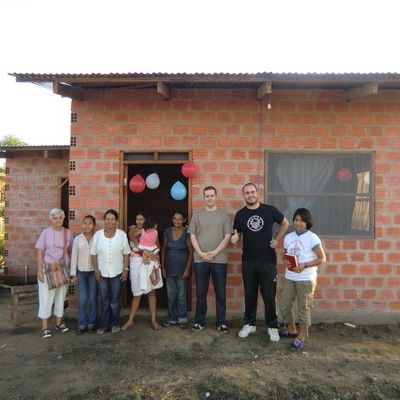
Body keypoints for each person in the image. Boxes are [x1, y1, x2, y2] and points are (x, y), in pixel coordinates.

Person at [231, 183, 289, 342]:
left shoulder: (269, 210)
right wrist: (235, 238)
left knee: (269, 295)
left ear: (257, 193)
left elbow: (285, 223)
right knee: (249, 294)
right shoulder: (240, 214)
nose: (250, 195)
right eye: (247, 193)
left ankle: (272, 326)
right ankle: (249, 323)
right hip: (248, 260)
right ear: (243, 195)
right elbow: (237, 235)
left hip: (267, 260)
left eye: (252, 192)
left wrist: (277, 240)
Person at [279, 208, 326, 351]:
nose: (298, 223)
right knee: (284, 305)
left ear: (307, 222)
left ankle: (301, 337)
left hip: (305, 278)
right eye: (296, 220)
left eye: (302, 220)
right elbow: (286, 255)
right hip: (290, 276)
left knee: (303, 308)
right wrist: (286, 261)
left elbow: (322, 258)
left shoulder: (312, 237)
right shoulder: (289, 237)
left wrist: (304, 265)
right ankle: (292, 330)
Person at [188, 186, 232, 333]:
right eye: (207, 196)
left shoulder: (223, 215)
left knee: (220, 293)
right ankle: (199, 322)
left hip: (219, 260)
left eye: (212, 195)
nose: (210, 198)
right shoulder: (197, 215)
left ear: (216, 196)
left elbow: (227, 236)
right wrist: (200, 252)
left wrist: (214, 252)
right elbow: (192, 235)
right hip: (200, 260)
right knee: (201, 292)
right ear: (204, 197)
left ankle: (221, 322)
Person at [90, 209, 131, 334]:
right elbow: (93, 254)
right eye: (107, 219)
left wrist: (125, 270)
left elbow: (126, 254)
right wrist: (96, 270)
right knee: (104, 300)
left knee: (115, 300)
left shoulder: (121, 235)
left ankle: (114, 323)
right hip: (101, 274)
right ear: (104, 220)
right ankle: (103, 325)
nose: (110, 221)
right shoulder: (98, 235)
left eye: (113, 219)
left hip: (116, 273)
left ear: (117, 221)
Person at [35, 208, 74, 338]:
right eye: (55, 218)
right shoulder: (46, 233)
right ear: (51, 219)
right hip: (47, 270)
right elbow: (40, 252)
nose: (58, 220)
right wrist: (39, 271)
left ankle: (59, 324)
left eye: (60, 218)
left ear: (63, 219)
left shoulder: (67, 233)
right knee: (46, 297)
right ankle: (45, 327)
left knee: (61, 296)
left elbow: (71, 250)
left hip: (62, 269)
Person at [121, 211, 162, 331]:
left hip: (149, 262)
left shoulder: (152, 232)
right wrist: (146, 252)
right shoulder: (133, 230)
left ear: (146, 221)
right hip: (136, 263)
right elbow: (136, 243)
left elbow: (158, 247)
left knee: (152, 292)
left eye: (141, 219)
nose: (139, 221)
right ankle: (130, 320)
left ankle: (153, 320)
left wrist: (151, 254)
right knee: (137, 293)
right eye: (137, 219)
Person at [161, 211, 193, 329]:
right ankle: (172, 318)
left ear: (184, 220)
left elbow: (191, 252)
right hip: (169, 268)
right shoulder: (168, 232)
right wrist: (163, 267)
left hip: (182, 268)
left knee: (181, 294)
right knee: (171, 294)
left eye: (180, 219)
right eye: (175, 218)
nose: (177, 221)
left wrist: (187, 269)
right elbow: (163, 250)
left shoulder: (186, 233)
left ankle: (182, 318)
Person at [70, 215, 97, 334]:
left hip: (93, 274)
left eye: (90, 223)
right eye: (85, 223)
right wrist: (73, 274)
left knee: (93, 298)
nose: (87, 226)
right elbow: (74, 257)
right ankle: (82, 324)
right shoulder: (78, 239)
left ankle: (91, 323)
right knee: (82, 299)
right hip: (81, 273)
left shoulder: (97, 238)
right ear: (82, 225)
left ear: (94, 225)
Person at [135, 215, 162, 287]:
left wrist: (138, 235)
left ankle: (152, 279)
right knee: (155, 263)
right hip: (152, 250)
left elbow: (134, 235)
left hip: (145, 250)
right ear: (154, 225)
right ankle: (157, 276)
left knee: (146, 264)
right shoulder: (156, 232)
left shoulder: (142, 230)